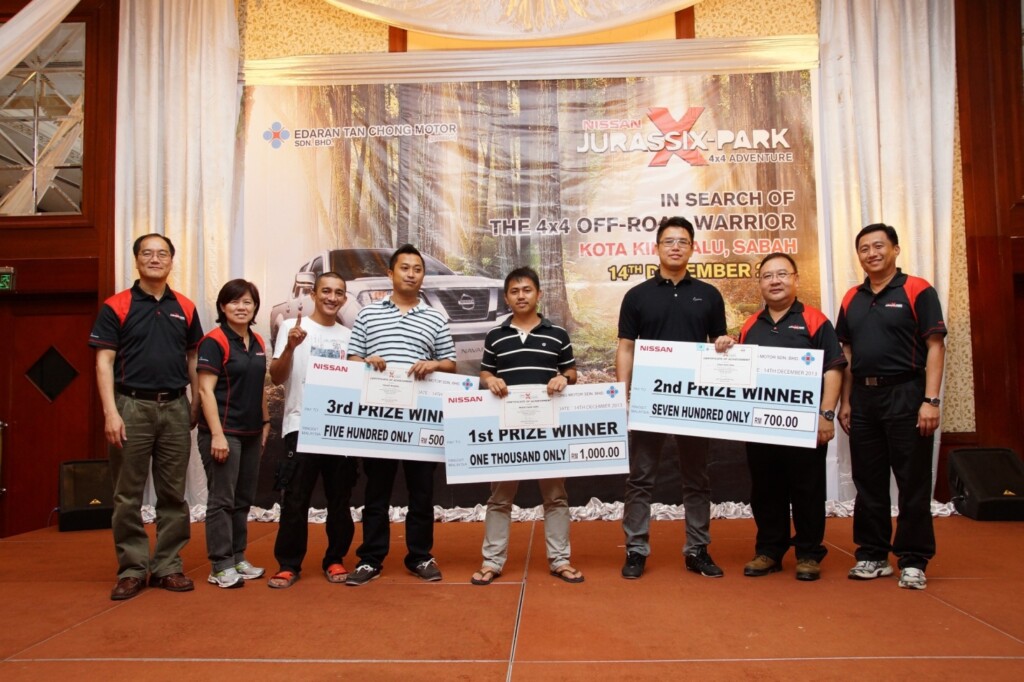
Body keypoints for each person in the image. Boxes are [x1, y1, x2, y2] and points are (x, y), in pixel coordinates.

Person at [715, 253, 846, 581]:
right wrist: (728, 347)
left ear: (796, 280)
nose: (775, 281)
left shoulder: (816, 321)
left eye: (782, 274)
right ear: (759, 283)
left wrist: (825, 414)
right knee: (766, 490)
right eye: (767, 276)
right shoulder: (750, 324)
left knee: (808, 489)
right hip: (760, 427)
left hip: (804, 426)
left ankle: (808, 554)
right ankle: (769, 551)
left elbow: (833, 369)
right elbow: (739, 369)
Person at [89, 233, 203, 600]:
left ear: (172, 261)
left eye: (163, 254)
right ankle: (133, 568)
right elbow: (103, 361)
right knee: (127, 495)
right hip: (130, 406)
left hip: (174, 406)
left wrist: (195, 400)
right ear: (136, 260)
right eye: (147, 253)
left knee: (173, 493)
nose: (155, 259)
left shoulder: (184, 307)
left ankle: (168, 565)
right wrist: (110, 412)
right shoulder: (117, 306)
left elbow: (192, 359)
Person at [617, 216, 729, 579]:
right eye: (669, 241)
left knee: (696, 478)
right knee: (641, 477)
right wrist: (623, 393)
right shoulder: (637, 296)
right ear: (657, 247)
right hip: (650, 401)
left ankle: (697, 549)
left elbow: (718, 345)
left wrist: (725, 346)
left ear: (693, 248)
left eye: (683, 241)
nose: (676, 246)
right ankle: (636, 550)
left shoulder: (709, 295)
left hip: (694, 402)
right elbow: (626, 347)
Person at [837, 223, 946, 591]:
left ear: (895, 250)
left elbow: (935, 346)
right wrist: (846, 401)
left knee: (912, 480)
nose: (872, 253)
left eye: (879, 246)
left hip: (907, 395)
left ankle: (914, 560)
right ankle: (873, 554)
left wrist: (930, 400)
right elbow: (847, 352)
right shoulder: (851, 297)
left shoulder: (918, 290)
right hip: (864, 400)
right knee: (867, 481)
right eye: (864, 248)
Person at [346, 244, 457, 586]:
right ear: (390, 274)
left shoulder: (435, 317)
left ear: (423, 276)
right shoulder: (368, 314)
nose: (411, 273)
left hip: (421, 420)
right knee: (375, 492)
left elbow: (450, 364)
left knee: (421, 491)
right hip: (378, 419)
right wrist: (366, 362)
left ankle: (420, 556)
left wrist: (434, 364)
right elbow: (351, 359)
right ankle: (370, 559)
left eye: (417, 269)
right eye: (405, 268)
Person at [470, 267, 582, 586]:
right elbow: (485, 373)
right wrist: (491, 381)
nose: (521, 295)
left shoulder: (557, 334)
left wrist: (564, 377)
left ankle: (560, 559)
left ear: (539, 294)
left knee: (556, 496)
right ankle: (492, 561)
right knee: (500, 498)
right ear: (507, 298)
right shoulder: (496, 336)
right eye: (515, 291)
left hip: (547, 429)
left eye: (527, 290)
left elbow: (571, 371)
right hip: (507, 429)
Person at [266, 272, 358, 589]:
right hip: (300, 426)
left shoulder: (350, 336)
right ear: (314, 295)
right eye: (326, 291)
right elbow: (276, 377)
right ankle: (289, 564)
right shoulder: (295, 330)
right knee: (295, 499)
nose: (332, 297)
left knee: (340, 499)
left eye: (339, 292)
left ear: (344, 298)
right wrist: (290, 347)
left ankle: (335, 558)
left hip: (339, 431)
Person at [196, 279, 270, 588]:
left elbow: (262, 386)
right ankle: (220, 564)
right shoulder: (214, 341)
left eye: (248, 302)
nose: (241, 307)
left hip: (252, 432)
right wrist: (217, 434)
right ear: (223, 307)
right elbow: (204, 389)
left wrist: (266, 423)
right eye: (235, 302)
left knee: (242, 499)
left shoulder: (258, 341)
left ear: (255, 307)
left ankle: (239, 556)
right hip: (224, 433)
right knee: (222, 500)